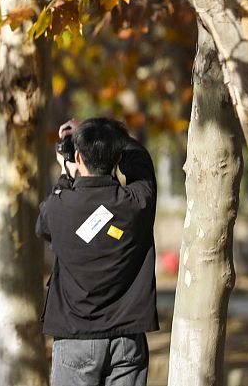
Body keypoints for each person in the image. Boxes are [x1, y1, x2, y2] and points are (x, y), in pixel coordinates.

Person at [36, 117, 158, 386]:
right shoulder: (137, 202)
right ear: (118, 158)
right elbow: (141, 162)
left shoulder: (59, 207)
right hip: (128, 339)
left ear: (77, 157)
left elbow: (43, 227)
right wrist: (107, 137)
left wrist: (66, 175)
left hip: (76, 337)